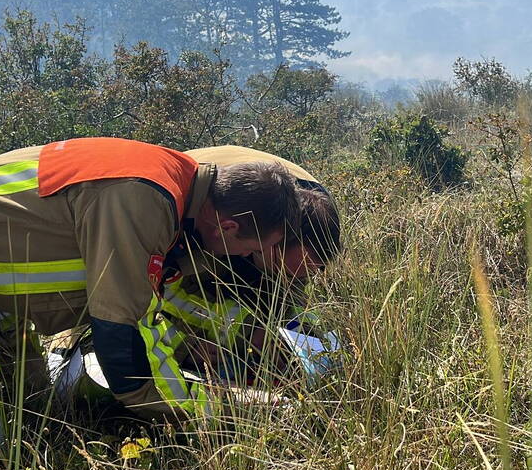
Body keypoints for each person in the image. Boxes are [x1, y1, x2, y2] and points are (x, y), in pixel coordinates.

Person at [0, 137, 299, 459]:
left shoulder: (175, 191)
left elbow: (148, 301)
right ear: (231, 226)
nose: (250, 259)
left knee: (30, 412)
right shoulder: (144, 201)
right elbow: (126, 341)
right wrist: (227, 412)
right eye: (256, 249)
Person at [50, 146, 344, 411]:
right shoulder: (206, 230)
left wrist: (295, 343)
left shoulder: (310, 221)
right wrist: (189, 345)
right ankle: (69, 358)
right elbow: (149, 297)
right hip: (142, 253)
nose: (297, 278)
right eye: (287, 268)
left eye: (309, 271)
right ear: (268, 241)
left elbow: (291, 301)